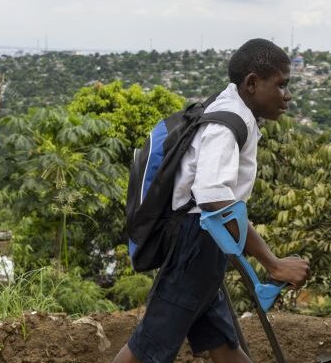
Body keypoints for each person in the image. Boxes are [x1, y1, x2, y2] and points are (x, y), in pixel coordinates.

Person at [113, 38, 311, 363]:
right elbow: (214, 201)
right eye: (281, 85)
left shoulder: (232, 108)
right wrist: (273, 263)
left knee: (222, 343)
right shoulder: (226, 125)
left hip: (204, 242)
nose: (287, 96)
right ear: (251, 83)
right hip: (197, 243)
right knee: (147, 348)